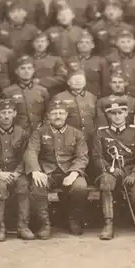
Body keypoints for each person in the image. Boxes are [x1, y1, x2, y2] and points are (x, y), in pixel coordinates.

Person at [24, 100, 89, 239]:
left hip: (69, 171)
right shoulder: (40, 132)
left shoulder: (76, 134)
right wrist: (36, 170)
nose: (58, 116)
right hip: (48, 172)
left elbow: (82, 156)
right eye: (54, 114)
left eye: (61, 113)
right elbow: (31, 152)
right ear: (48, 116)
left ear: (66, 115)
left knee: (80, 187)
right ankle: (45, 224)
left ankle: (74, 219)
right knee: (37, 186)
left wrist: (74, 173)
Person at [92, 97, 135, 240]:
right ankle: (108, 224)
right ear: (108, 115)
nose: (117, 116)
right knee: (106, 182)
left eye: (120, 112)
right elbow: (97, 157)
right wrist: (109, 169)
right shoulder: (101, 132)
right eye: (113, 113)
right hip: (111, 171)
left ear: (126, 113)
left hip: (132, 171)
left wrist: (134, 174)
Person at [0, 99, 35, 241]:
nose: (6, 116)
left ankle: (23, 226)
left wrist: (17, 172)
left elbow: (26, 156)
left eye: (9, 112)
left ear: (14, 114)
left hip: (17, 172)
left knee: (23, 185)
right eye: (3, 113)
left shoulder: (22, 133)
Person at [3, 55, 49, 133]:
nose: (26, 71)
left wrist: (44, 128)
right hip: (17, 133)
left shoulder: (42, 90)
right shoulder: (8, 92)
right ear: (16, 71)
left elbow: (48, 113)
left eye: (29, 68)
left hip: (39, 132)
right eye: (23, 68)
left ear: (33, 70)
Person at [52, 70, 97, 148]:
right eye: (75, 79)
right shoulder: (59, 97)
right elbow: (51, 120)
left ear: (85, 82)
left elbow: (96, 118)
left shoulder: (92, 97)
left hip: (90, 139)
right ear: (68, 82)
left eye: (81, 79)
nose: (78, 81)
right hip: (69, 139)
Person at [105, 29, 135, 99]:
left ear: (134, 42)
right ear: (117, 43)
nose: (126, 44)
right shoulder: (109, 59)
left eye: (128, 41)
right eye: (122, 42)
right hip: (117, 98)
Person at [65, 30, 108, 97]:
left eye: (87, 42)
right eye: (81, 42)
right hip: (74, 97)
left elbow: (105, 83)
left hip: (94, 97)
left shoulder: (100, 61)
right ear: (78, 45)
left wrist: (103, 98)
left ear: (92, 45)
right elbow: (66, 81)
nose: (84, 44)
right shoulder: (70, 60)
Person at [29, 31, 67, 96]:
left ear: (47, 43)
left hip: (52, 93)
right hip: (32, 94)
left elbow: (62, 78)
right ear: (32, 44)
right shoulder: (27, 60)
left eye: (42, 41)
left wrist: (41, 81)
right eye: (37, 41)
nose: (40, 44)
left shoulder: (56, 59)